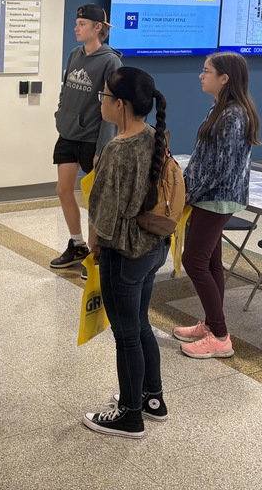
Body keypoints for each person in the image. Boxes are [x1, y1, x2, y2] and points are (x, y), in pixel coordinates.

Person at [80, 67, 171, 439]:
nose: (100, 102)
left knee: (127, 335)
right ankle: (152, 398)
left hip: (125, 254)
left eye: (103, 96)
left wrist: (94, 246)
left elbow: (104, 212)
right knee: (141, 324)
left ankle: (130, 414)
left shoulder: (117, 150)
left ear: (120, 104)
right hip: (153, 249)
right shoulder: (156, 137)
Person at [175, 51, 261, 359]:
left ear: (224, 78)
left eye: (206, 71)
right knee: (210, 263)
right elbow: (206, 160)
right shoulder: (222, 109)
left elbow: (220, 169)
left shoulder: (232, 116)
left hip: (215, 198)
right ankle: (212, 325)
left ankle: (221, 337)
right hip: (209, 196)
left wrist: (188, 193)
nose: (201, 75)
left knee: (193, 261)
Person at [50, 4, 122, 273]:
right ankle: (77, 243)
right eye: (76, 23)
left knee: (94, 198)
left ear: (98, 28)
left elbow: (112, 107)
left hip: (92, 139)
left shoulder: (110, 61)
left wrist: (102, 147)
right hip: (68, 133)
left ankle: (94, 253)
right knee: (63, 190)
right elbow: (65, 87)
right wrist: (61, 113)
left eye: (81, 24)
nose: (76, 28)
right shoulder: (74, 54)